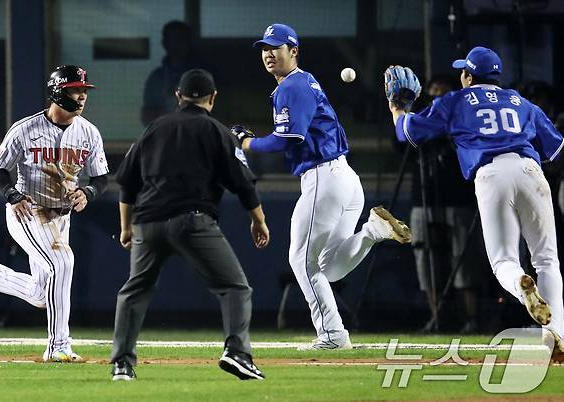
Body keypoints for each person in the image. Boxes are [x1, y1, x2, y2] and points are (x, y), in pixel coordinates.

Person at [237, 23, 412, 351]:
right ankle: (373, 231)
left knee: (301, 260)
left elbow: (288, 138)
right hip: (345, 178)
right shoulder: (304, 82)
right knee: (328, 267)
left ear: (294, 51)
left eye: (276, 47)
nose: (269, 54)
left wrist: (248, 142)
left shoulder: (293, 85)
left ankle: (333, 335)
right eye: (264, 48)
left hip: (324, 180)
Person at [387, 46, 564, 361]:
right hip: (529, 169)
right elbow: (555, 148)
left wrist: (397, 107)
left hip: (491, 175)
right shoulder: (520, 101)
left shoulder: (455, 100)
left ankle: (522, 287)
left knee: (503, 262)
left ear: (467, 75)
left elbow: (407, 134)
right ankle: (556, 339)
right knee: (547, 260)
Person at [111, 69, 269, 381]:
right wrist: (259, 221)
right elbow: (243, 183)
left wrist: (127, 227)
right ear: (212, 98)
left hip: (147, 223)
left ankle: (121, 364)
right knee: (235, 288)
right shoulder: (217, 131)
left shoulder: (153, 129)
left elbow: (127, 183)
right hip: (192, 221)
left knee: (134, 291)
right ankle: (237, 353)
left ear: (178, 96)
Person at [0, 65, 109, 362]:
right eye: (75, 89)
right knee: (63, 261)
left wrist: (88, 193)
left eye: (83, 90)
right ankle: (59, 345)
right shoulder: (26, 128)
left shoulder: (88, 132)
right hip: (28, 211)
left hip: (62, 217)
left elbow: (101, 178)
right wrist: (11, 195)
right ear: (57, 91)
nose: (81, 95)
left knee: (41, 294)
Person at [405, 76, 483, 333]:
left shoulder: (462, 116)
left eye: (442, 89)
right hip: (424, 199)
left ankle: (472, 317)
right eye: (432, 89)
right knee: (425, 261)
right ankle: (437, 317)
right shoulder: (423, 117)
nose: (436, 93)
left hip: (458, 198)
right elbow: (401, 143)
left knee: (463, 260)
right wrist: (408, 113)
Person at [140, 20, 207, 126]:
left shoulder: (204, 75)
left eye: (180, 39)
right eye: (171, 39)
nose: (175, 44)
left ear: (188, 41)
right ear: (164, 43)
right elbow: (147, 114)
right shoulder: (157, 78)